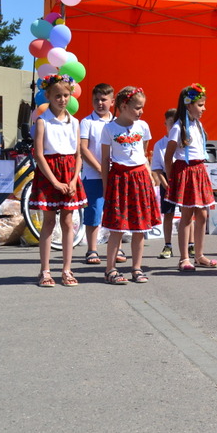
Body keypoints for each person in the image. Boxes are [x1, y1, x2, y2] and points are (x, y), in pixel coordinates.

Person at [29, 74, 88, 287]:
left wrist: (73, 180)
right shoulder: (43, 121)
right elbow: (39, 154)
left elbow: (79, 153)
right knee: (49, 222)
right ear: (48, 96)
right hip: (50, 173)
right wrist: (54, 181)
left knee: (67, 221)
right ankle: (45, 270)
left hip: (69, 172)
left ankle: (66, 269)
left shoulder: (75, 122)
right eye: (57, 96)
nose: (62, 99)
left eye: (65, 95)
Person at [100, 87, 161, 285]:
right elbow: (104, 160)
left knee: (139, 227)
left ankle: (136, 267)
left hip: (140, 179)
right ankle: (110, 269)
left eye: (142, 107)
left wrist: (150, 175)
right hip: (119, 179)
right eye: (137, 107)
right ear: (123, 106)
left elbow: (143, 155)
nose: (141, 111)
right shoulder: (109, 129)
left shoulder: (142, 126)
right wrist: (106, 185)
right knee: (117, 227)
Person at [164, 83, 217, 272]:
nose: (204, 109)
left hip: (199, 170)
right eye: (201, 105)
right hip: (185, 171)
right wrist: (173, 180)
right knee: (187, 215)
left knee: (202, 214)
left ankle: (199, 255)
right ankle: (184, 258)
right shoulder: (178, 128)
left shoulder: (198, 125)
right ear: (188, 105)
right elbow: (168, 156)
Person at [79, 83, 123, 266]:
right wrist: (99, 168)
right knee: (94, 213)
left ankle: (117, 247)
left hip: (116, 176)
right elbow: (83, 148)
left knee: (116, 213)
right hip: (93, 175)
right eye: (96, 99)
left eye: (104, 99)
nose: (99, 103)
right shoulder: (87, 122)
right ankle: (92, 249)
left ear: (112, 101)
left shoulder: (118, 122)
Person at [150, 108, 186, 259]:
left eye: (175, 124)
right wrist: (166, 184)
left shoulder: (184, 142)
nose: (172, 127)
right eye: (169, 124)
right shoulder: (159, 144)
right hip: (167, 180)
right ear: (165, 124)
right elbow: (157, 169)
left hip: (182, 177)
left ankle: (190, 245)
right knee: (168, 214)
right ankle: (168, 245)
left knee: (187, 214)